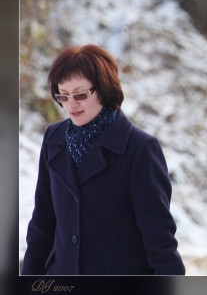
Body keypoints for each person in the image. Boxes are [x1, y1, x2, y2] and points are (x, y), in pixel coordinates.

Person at [22, 44, 185, 275]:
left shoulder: (140, 149)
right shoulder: (54, 140)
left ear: (104, 90)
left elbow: (160, 241)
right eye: (63, 95)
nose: (71, 104)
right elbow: (42, 224)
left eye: (80, 94)